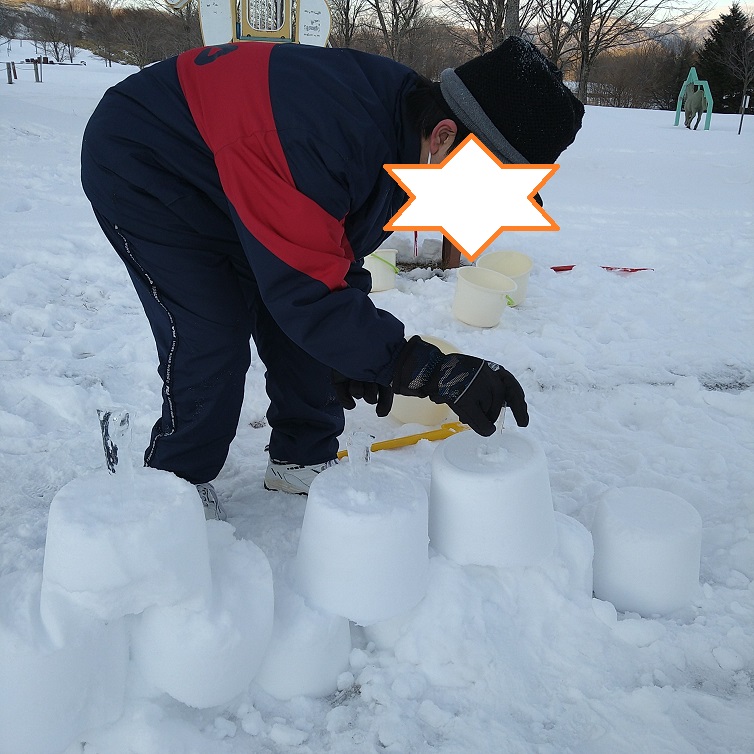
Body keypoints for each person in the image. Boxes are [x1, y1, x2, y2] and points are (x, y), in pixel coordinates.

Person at [81, 36, 584, 519]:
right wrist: (427, 370)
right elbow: (308, 293)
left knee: (316, 323)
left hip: (232, 163)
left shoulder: (403, 133)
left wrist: (356, 356)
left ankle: (301, 456)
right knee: (212, 330)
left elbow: (331, 261)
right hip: (149, 157)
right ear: (445, 136)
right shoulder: (325, 139)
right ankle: (173, 487)